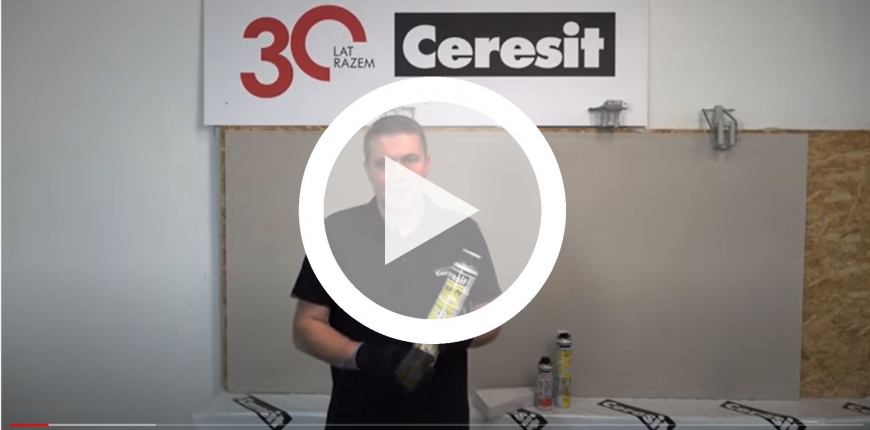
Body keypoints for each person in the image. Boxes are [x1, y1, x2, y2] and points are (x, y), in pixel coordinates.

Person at [291, 114, 503, 429]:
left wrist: (457, 334)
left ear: (427, 164)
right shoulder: (336, 232)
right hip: (358, 417)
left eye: (409, 160)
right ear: (368, 169)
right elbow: (306, 326)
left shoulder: (462, 232)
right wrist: (362, 355)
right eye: (383, 164)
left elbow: (491, 318)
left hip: (441, 418)